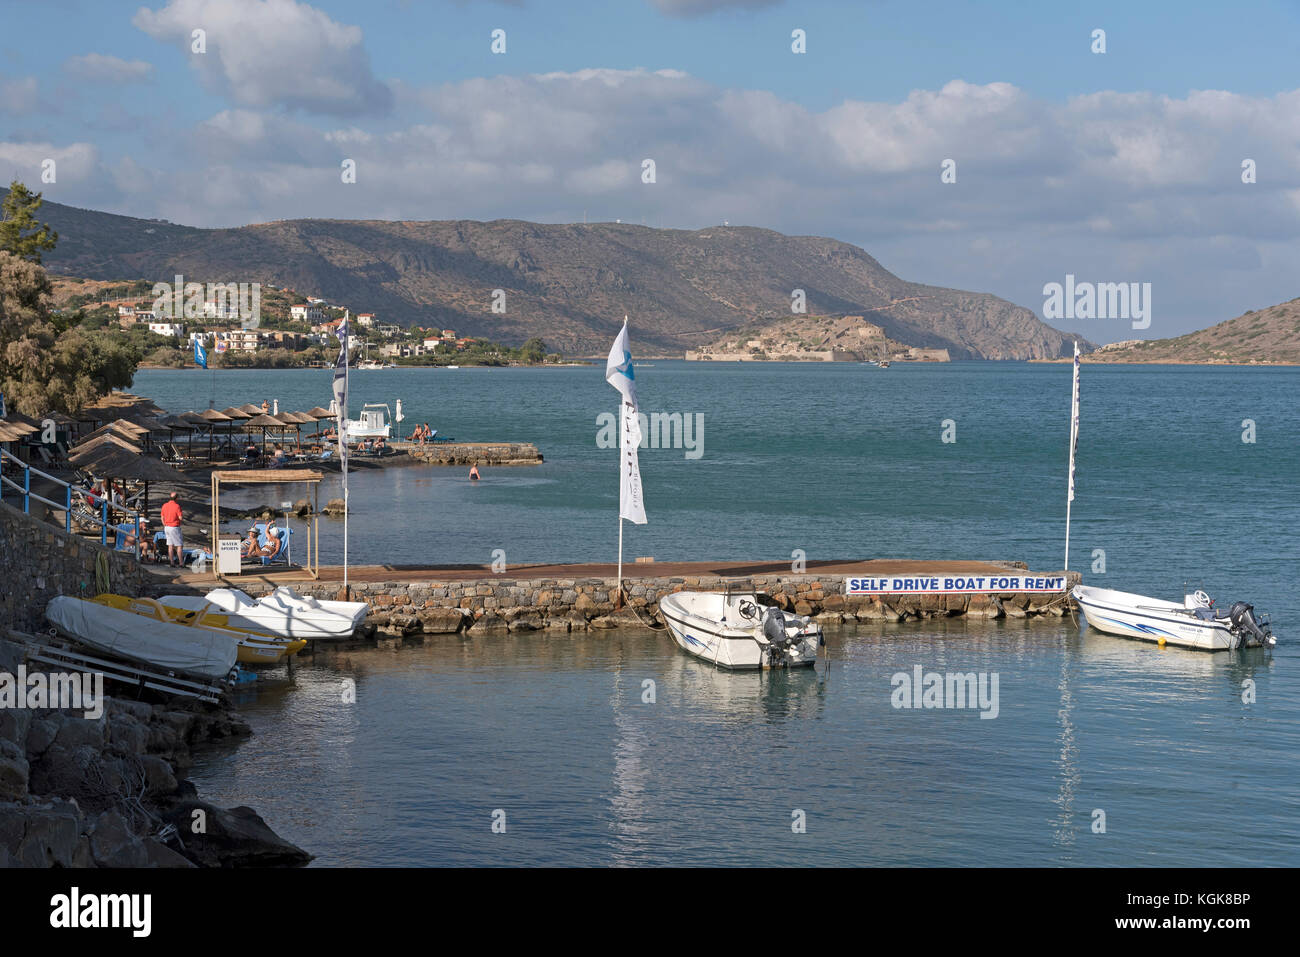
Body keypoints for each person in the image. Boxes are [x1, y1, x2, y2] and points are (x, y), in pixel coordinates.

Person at [160, 492, 184, 566]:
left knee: (170, 545)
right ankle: (181, 563)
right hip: (174, 527)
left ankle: (172, 563)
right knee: (179, 545)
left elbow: (162, 517)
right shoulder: (177, 506)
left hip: (167, 527)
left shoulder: (164, 505)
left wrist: (165, 525)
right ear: (176, 498)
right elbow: (180, 518)